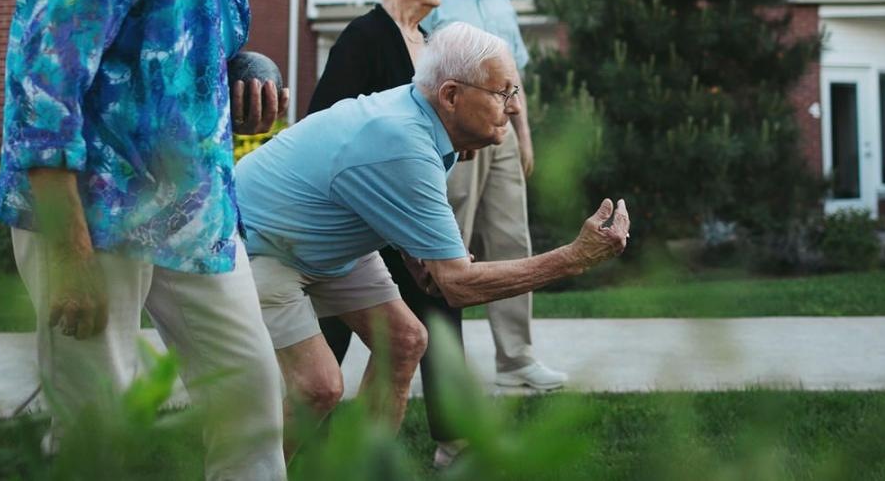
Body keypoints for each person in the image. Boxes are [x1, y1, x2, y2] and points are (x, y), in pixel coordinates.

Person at [0, 0, 291, 478]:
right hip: (94, 209)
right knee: (99, 424)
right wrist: (68, 251)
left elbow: (211, 47)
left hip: (194, 211)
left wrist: (249, 68)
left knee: (251, 396)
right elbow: (43, 85)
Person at [234, 23, 631, 458]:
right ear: (451, 95)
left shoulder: (425, 125)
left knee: (405, 342)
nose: (515, 108)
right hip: (261, 241)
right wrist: (573, 259)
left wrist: (415, 252)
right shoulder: (406, 142)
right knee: (318, 386)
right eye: (503, 93)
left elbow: (376, 192)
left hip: (324, 243)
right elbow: (457, 285)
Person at [306, 0, 469, 467]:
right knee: (334, 329)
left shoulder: (434, 42)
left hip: (414, 214)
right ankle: (301, 432)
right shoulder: (362, 39)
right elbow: (324, 127)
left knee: (441, 308)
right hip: (356, 221)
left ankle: (454, 442)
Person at [422, 0, 566, 391]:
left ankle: (517, 358)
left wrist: (524, 136)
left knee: (511, 241)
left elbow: (514, 75)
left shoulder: (500, 0)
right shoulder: (437, 0)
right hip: (458, 141)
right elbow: (423, 76)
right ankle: (439, 360)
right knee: (450, 246)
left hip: (502, 139)